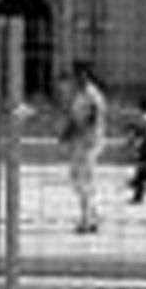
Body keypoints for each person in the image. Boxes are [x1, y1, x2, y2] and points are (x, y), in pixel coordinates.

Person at [59, 61, 106, 233]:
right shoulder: (80, 94)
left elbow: (89, 119)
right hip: (81, 142)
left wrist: (72, 131)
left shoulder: (91, 95)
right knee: (79, 180)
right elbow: (75, 117)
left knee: (82, 180)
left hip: (88, 143)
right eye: (75, 74)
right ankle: (94, 216)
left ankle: (87, 220)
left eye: (79, 74)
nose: (76, 78)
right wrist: (66, 133)